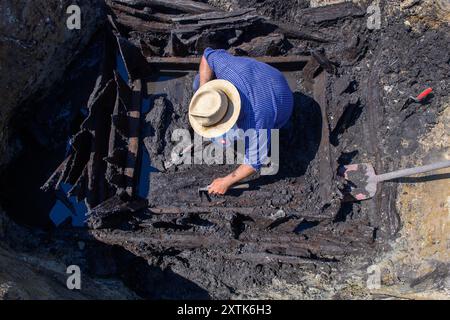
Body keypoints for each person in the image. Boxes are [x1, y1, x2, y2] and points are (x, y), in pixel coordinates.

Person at [189, 48, 293, 195]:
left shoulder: (257, 122)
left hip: (282, 102)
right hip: (265, 76)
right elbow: (207, 56)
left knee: (234, 139)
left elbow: (254, 162)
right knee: (198, 81)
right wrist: (203, 88)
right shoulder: (225, 66)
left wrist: (226, 181)